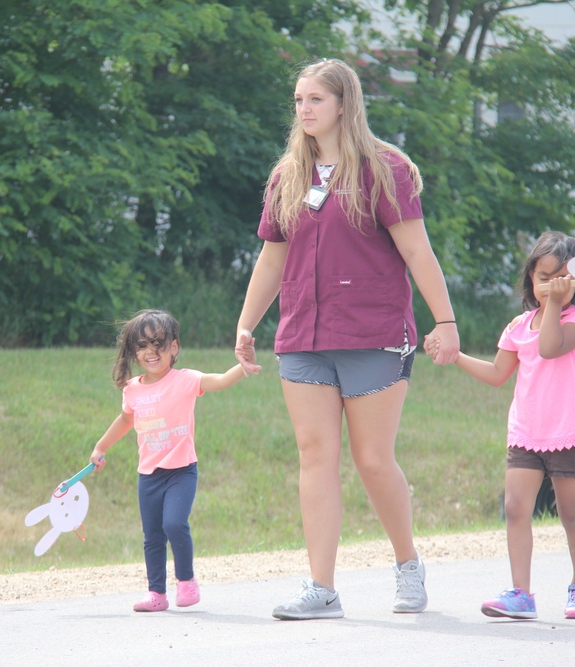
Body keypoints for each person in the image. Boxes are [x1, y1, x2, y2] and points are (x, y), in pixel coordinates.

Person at [233, 58, 460, 621]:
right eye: (297, 100)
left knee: (373, 459)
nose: (303, 109)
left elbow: (416, 251)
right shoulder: (288, 175)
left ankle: (408, 565)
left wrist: (446, 322)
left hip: (372, 332)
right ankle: (322, 588)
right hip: (303, 335)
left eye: (314, 99)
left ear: (343, 104)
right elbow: (273, 255)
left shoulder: (387, 170)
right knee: (315, 457)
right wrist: (246, 323)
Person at [427, 231, 575, 620]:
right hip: (526, 433)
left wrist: (555, 303)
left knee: (571, 514)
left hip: (568, 433)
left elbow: (550, 346)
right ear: (531, 277)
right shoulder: (518, 326)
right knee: (516, 508)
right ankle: (521, 593)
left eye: (563, 278)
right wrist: (453, 356)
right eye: (544, 276)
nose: (551, 285)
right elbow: (496, 373)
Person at [88, 309, 245, 612]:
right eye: (143, 345)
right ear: (134, 351)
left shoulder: (185, 380)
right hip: (149, 474)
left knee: (174, 523)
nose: (151, 352)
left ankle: (186, 582)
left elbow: (222, 380)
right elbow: (124, 420)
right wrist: (100, 446)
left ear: (173, 348)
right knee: (152, 535)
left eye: (159, 344)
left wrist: (243, 366)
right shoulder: (132, 389)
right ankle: (156, 593)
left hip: (181, 471)